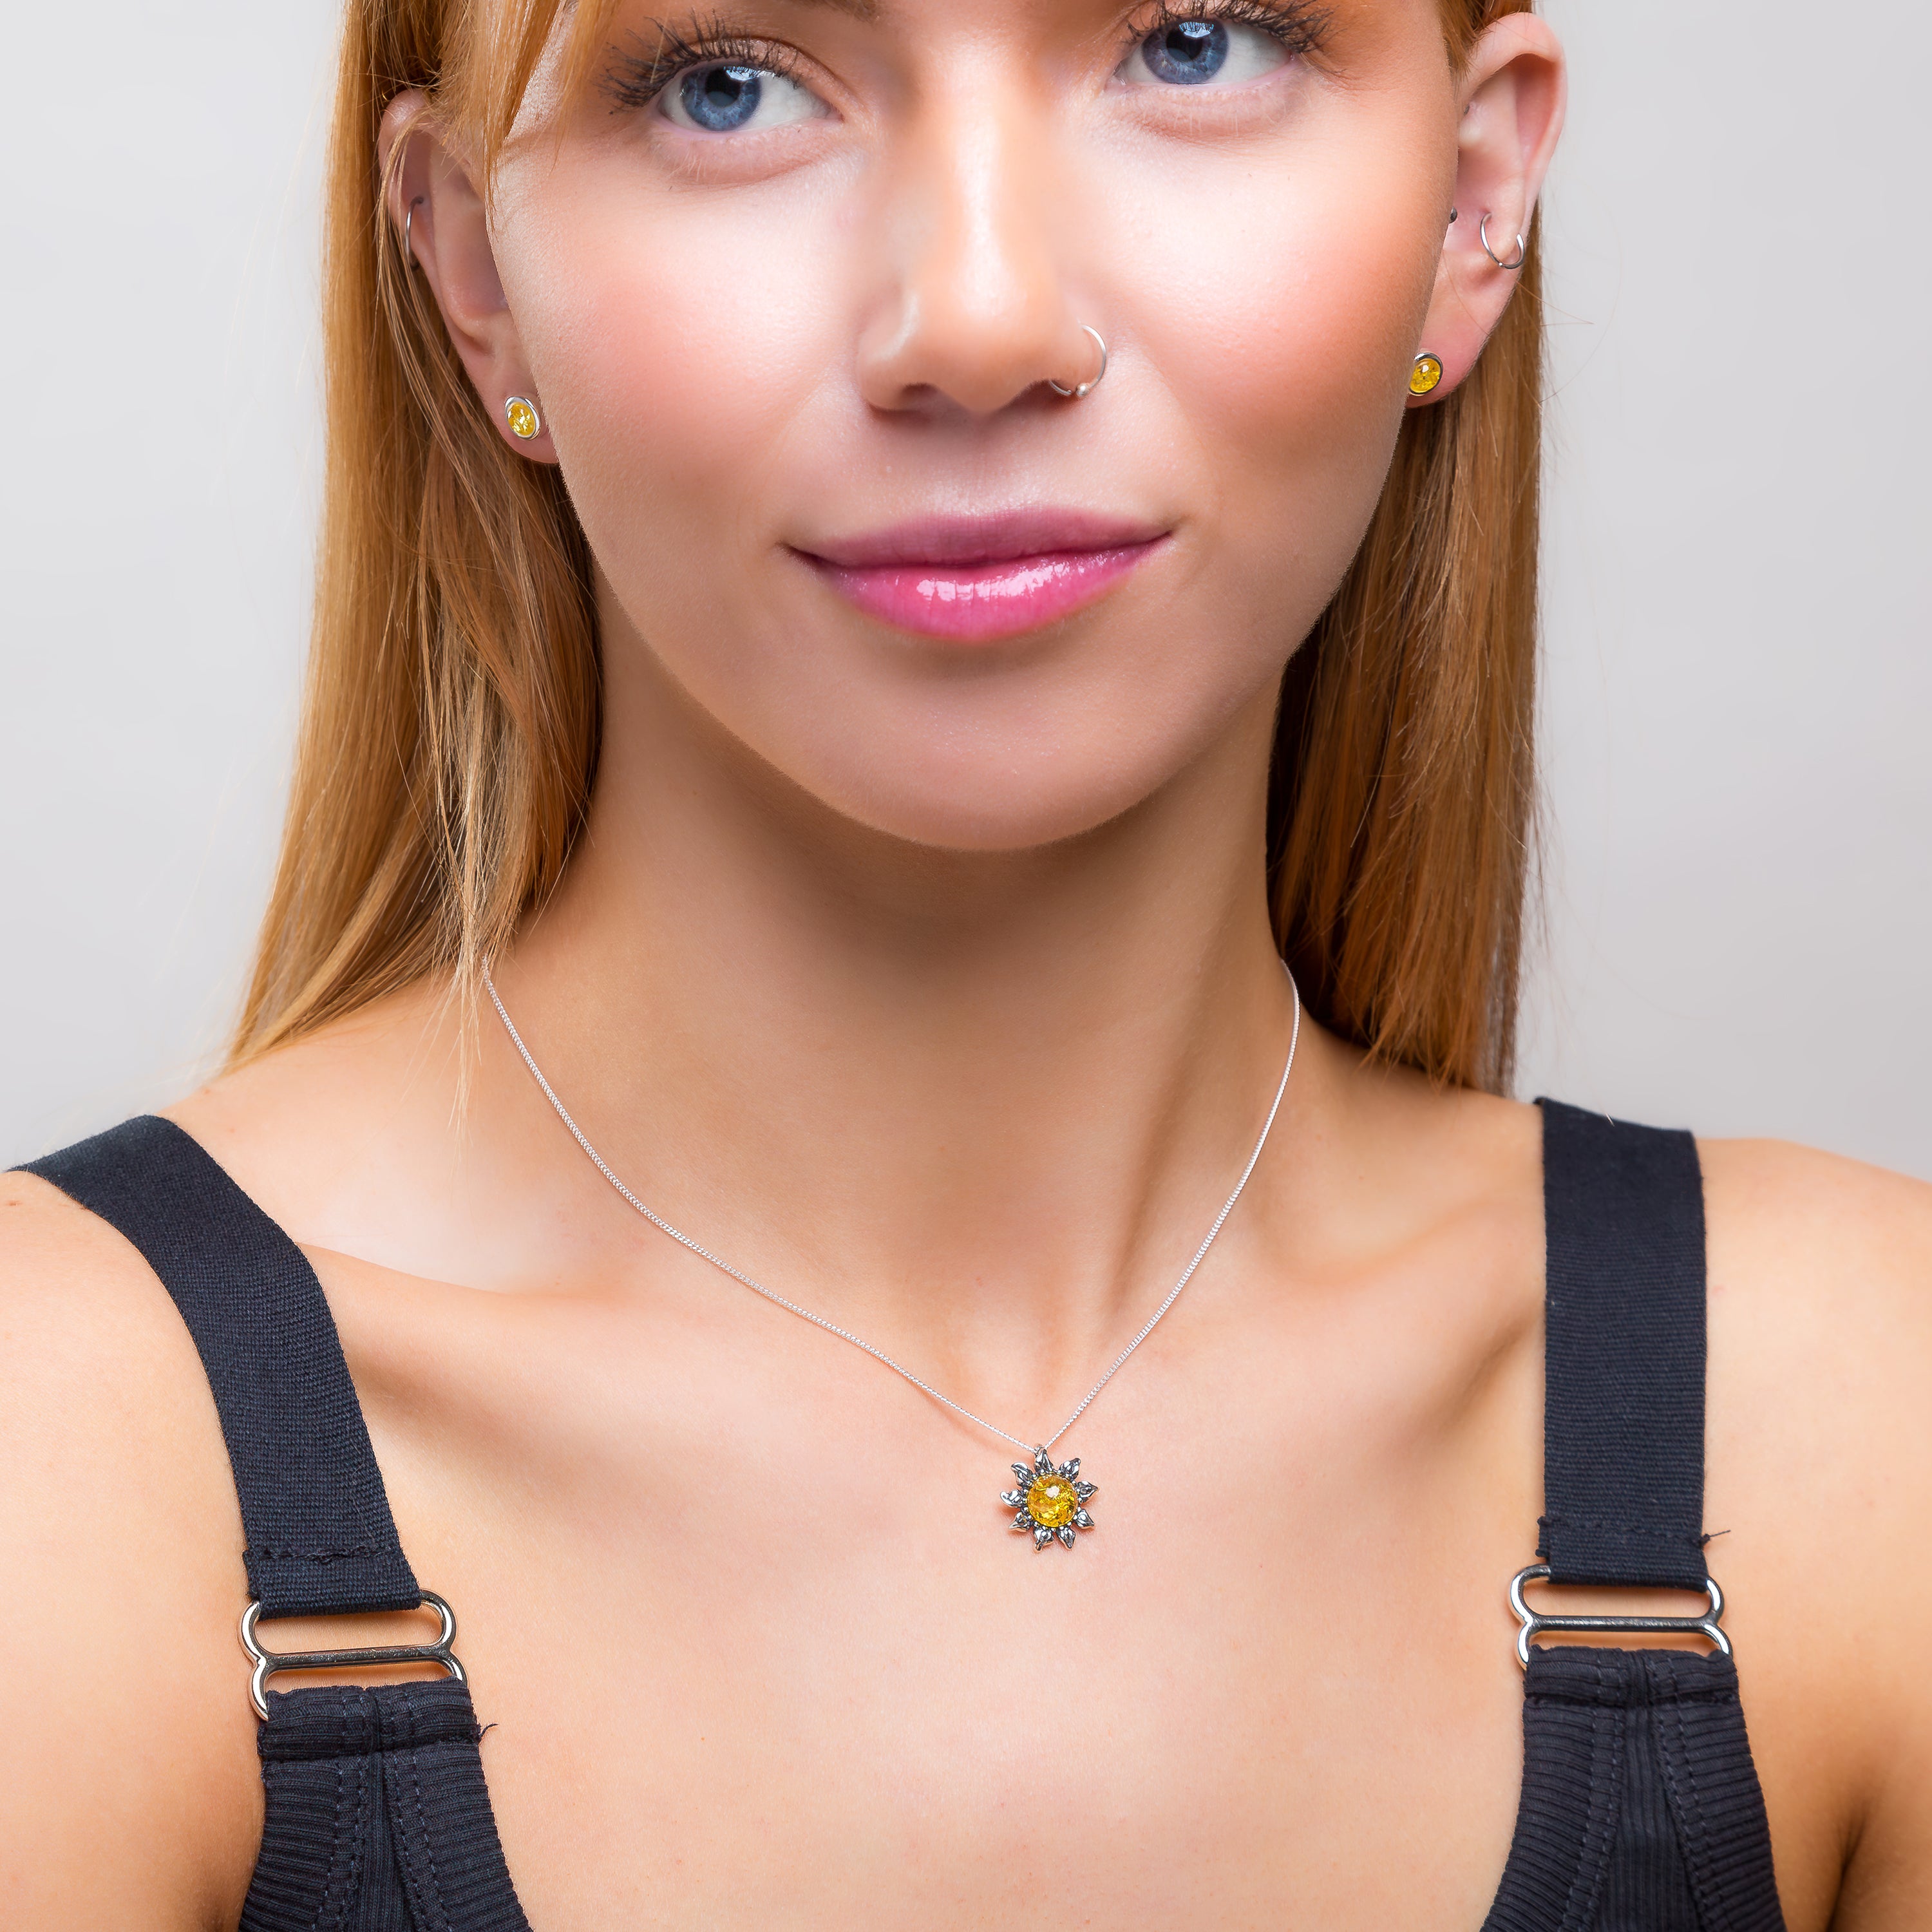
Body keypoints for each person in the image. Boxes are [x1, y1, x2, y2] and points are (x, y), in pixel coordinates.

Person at [3, 0, 1927, 1924]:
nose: (982, 322)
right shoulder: (65, 1463)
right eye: (730, 87)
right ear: (471, 270)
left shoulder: (1862, 1421)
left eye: (1193, 44)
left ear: (1473, 198)